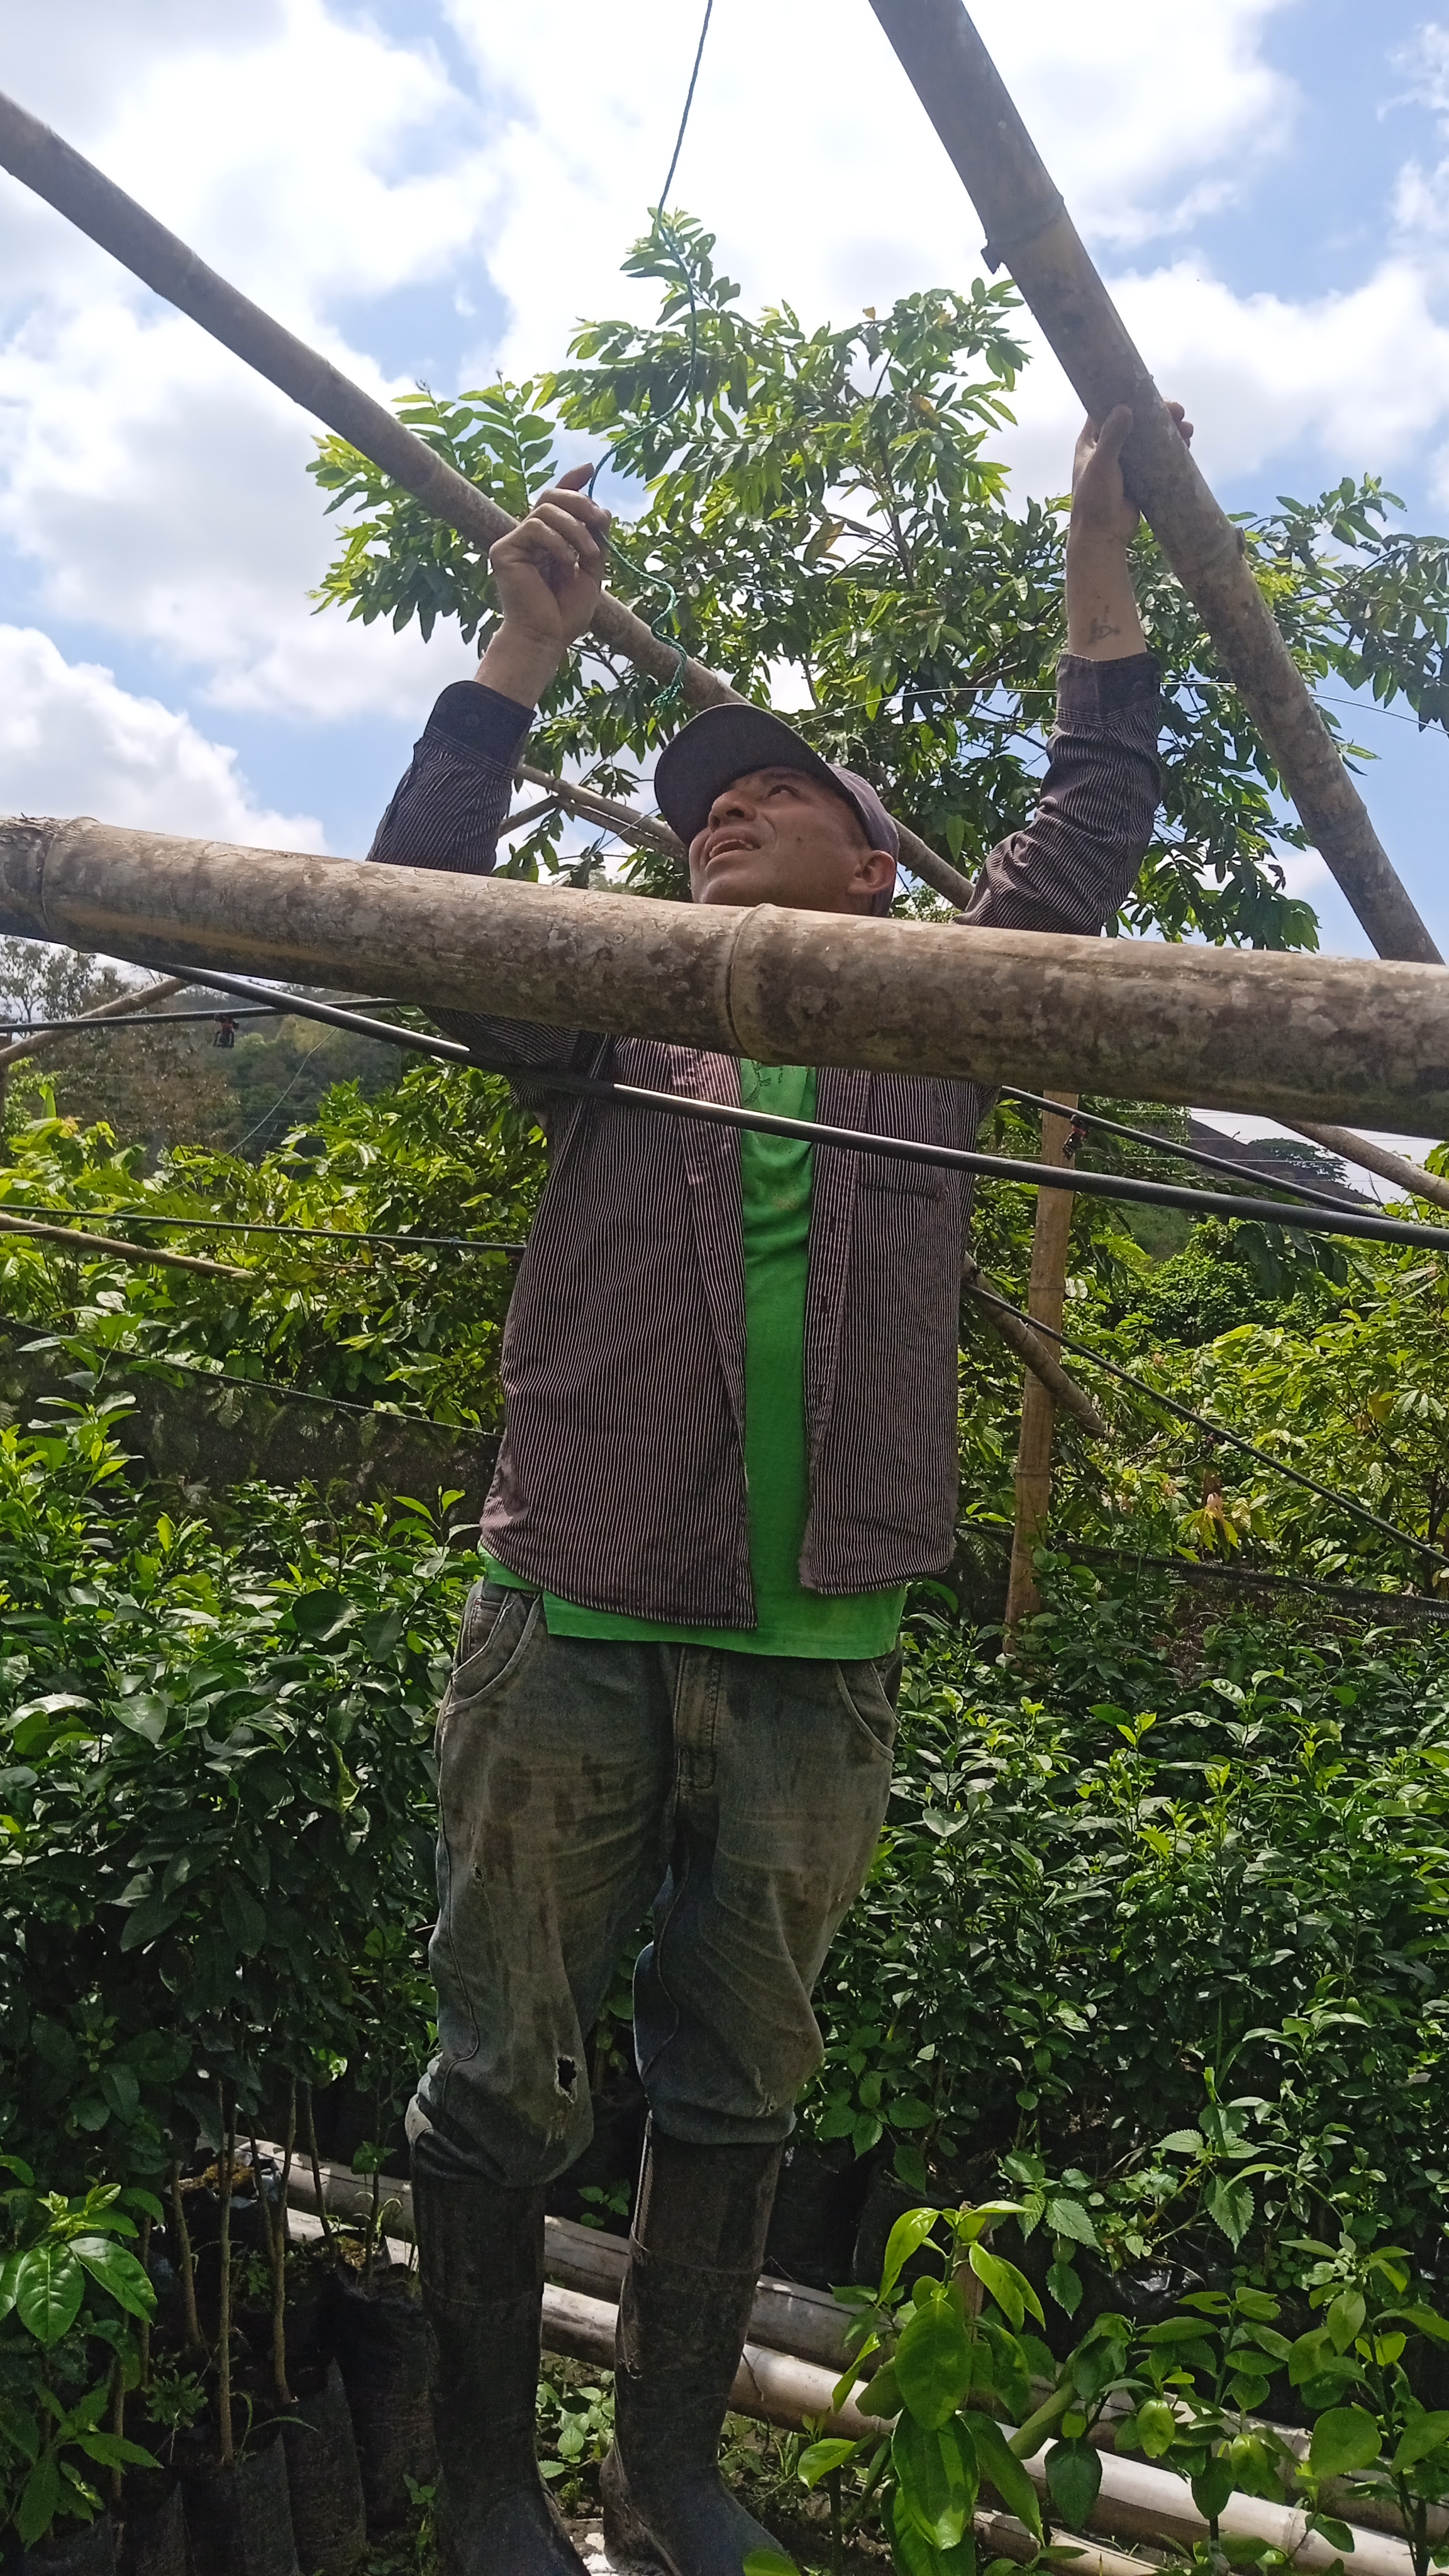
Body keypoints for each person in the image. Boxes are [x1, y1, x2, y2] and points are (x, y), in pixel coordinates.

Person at [369, 396, 1187, 2576]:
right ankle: (481, 2486)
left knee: (740, 2083)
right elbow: (422, 919)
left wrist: (1102, 557)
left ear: (881, 870)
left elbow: (1093, 812)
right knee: (504, 2072)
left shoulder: (943, 1018)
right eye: (695, 812)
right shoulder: (612, 1019)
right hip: (571, 1618)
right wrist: (514, 661)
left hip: (821, 1655)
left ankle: (670, 2477)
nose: (717, 814)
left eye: (773, 796)